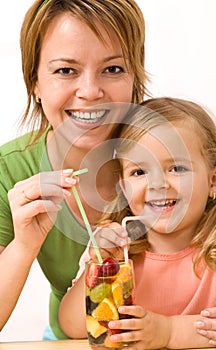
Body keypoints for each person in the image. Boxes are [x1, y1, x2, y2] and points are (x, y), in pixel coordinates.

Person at [0, 0, 148, 340]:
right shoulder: (8, 170)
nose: (90, 92)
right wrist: (24, 246)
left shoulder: (178, 159)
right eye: (66, 71)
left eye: (112, 69)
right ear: (34, 81)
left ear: (134, 75)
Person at [59, 97, 216, 348]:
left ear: (215, 181)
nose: (158, 184)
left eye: (176, 168)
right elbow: (74, 327)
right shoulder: (114, 248)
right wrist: (100, 265)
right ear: (123, 187)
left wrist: (170, 332)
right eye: (139, 172)